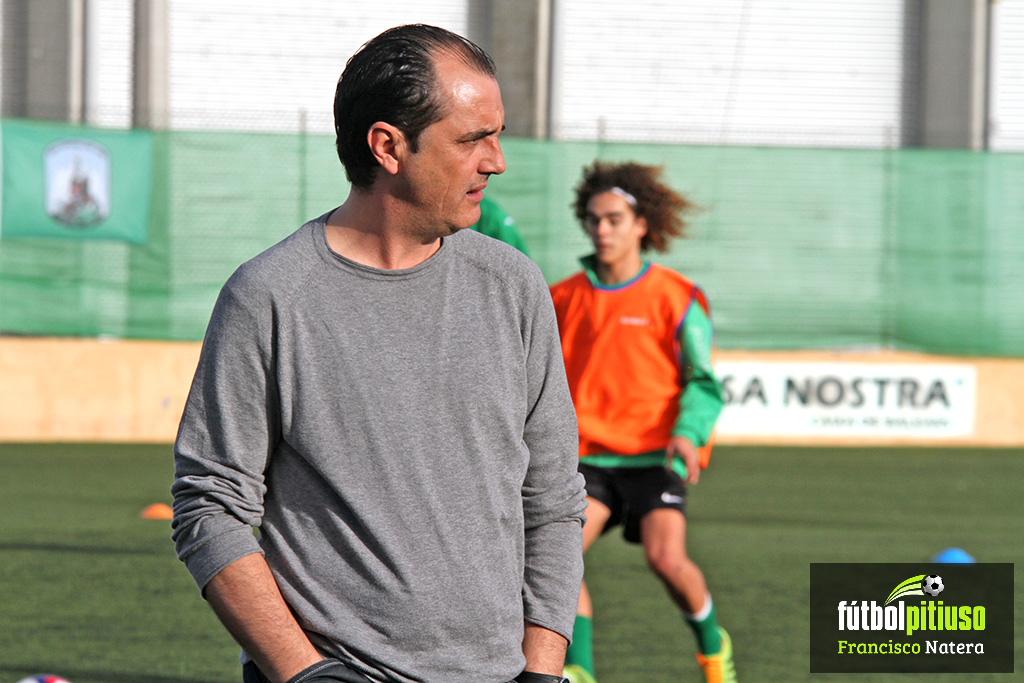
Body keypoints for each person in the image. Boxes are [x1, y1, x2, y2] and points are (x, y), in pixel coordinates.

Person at [171, 24, 586, 683]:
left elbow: (555, 498)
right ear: (388, 146)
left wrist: (540, 669)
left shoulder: (515, 287)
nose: (497, 160)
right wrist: (302, 671)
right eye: (473, 138)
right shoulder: (269, 296)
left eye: (496, 134)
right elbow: (210, 505)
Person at [549, 161, 735, 683]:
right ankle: (579, 670)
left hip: (656, 456)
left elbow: (702, 381)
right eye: (592, 219)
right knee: (557, 561)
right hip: (587, 461)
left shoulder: (677, 298)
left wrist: (687, 432)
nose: (600, 230)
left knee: (667, 560)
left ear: (641, 225)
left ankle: (712, 649)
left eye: (612, 219)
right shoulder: (561, 299)